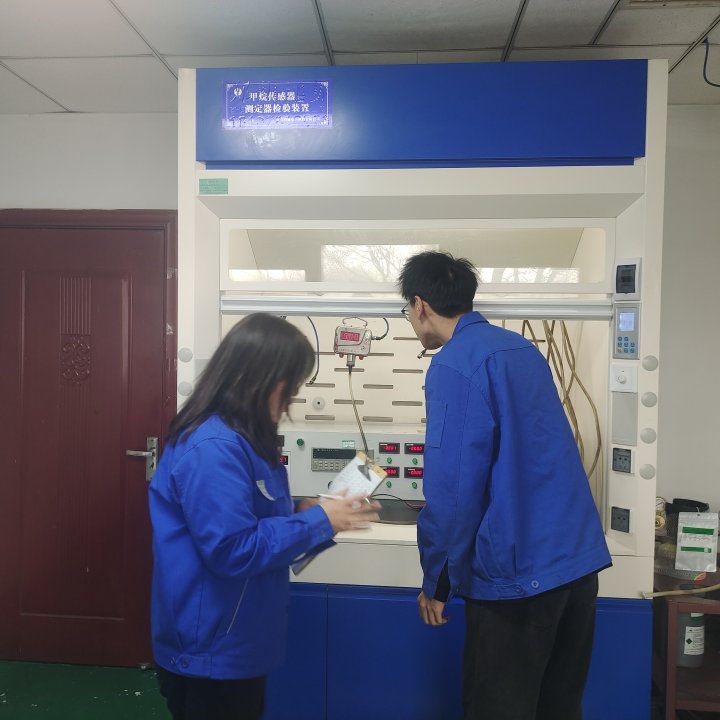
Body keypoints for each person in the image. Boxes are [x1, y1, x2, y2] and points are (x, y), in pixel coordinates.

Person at [398, 252, 612, 720]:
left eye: (406, 310)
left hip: (519, 579)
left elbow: (454, 490)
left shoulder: (454, 364)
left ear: (420, 305)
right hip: (576, 565)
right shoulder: (521, 350)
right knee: (559, 707)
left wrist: (436, 581)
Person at [149, 313, 380, 720]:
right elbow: (231, 549)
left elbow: (253, 515)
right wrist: (319, 521)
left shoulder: (245, 440)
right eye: (290, 385)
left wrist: (304, 511)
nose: (292, 397)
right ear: (260, 380)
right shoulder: (214, 449)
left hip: (236, 641)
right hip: (210, 653)